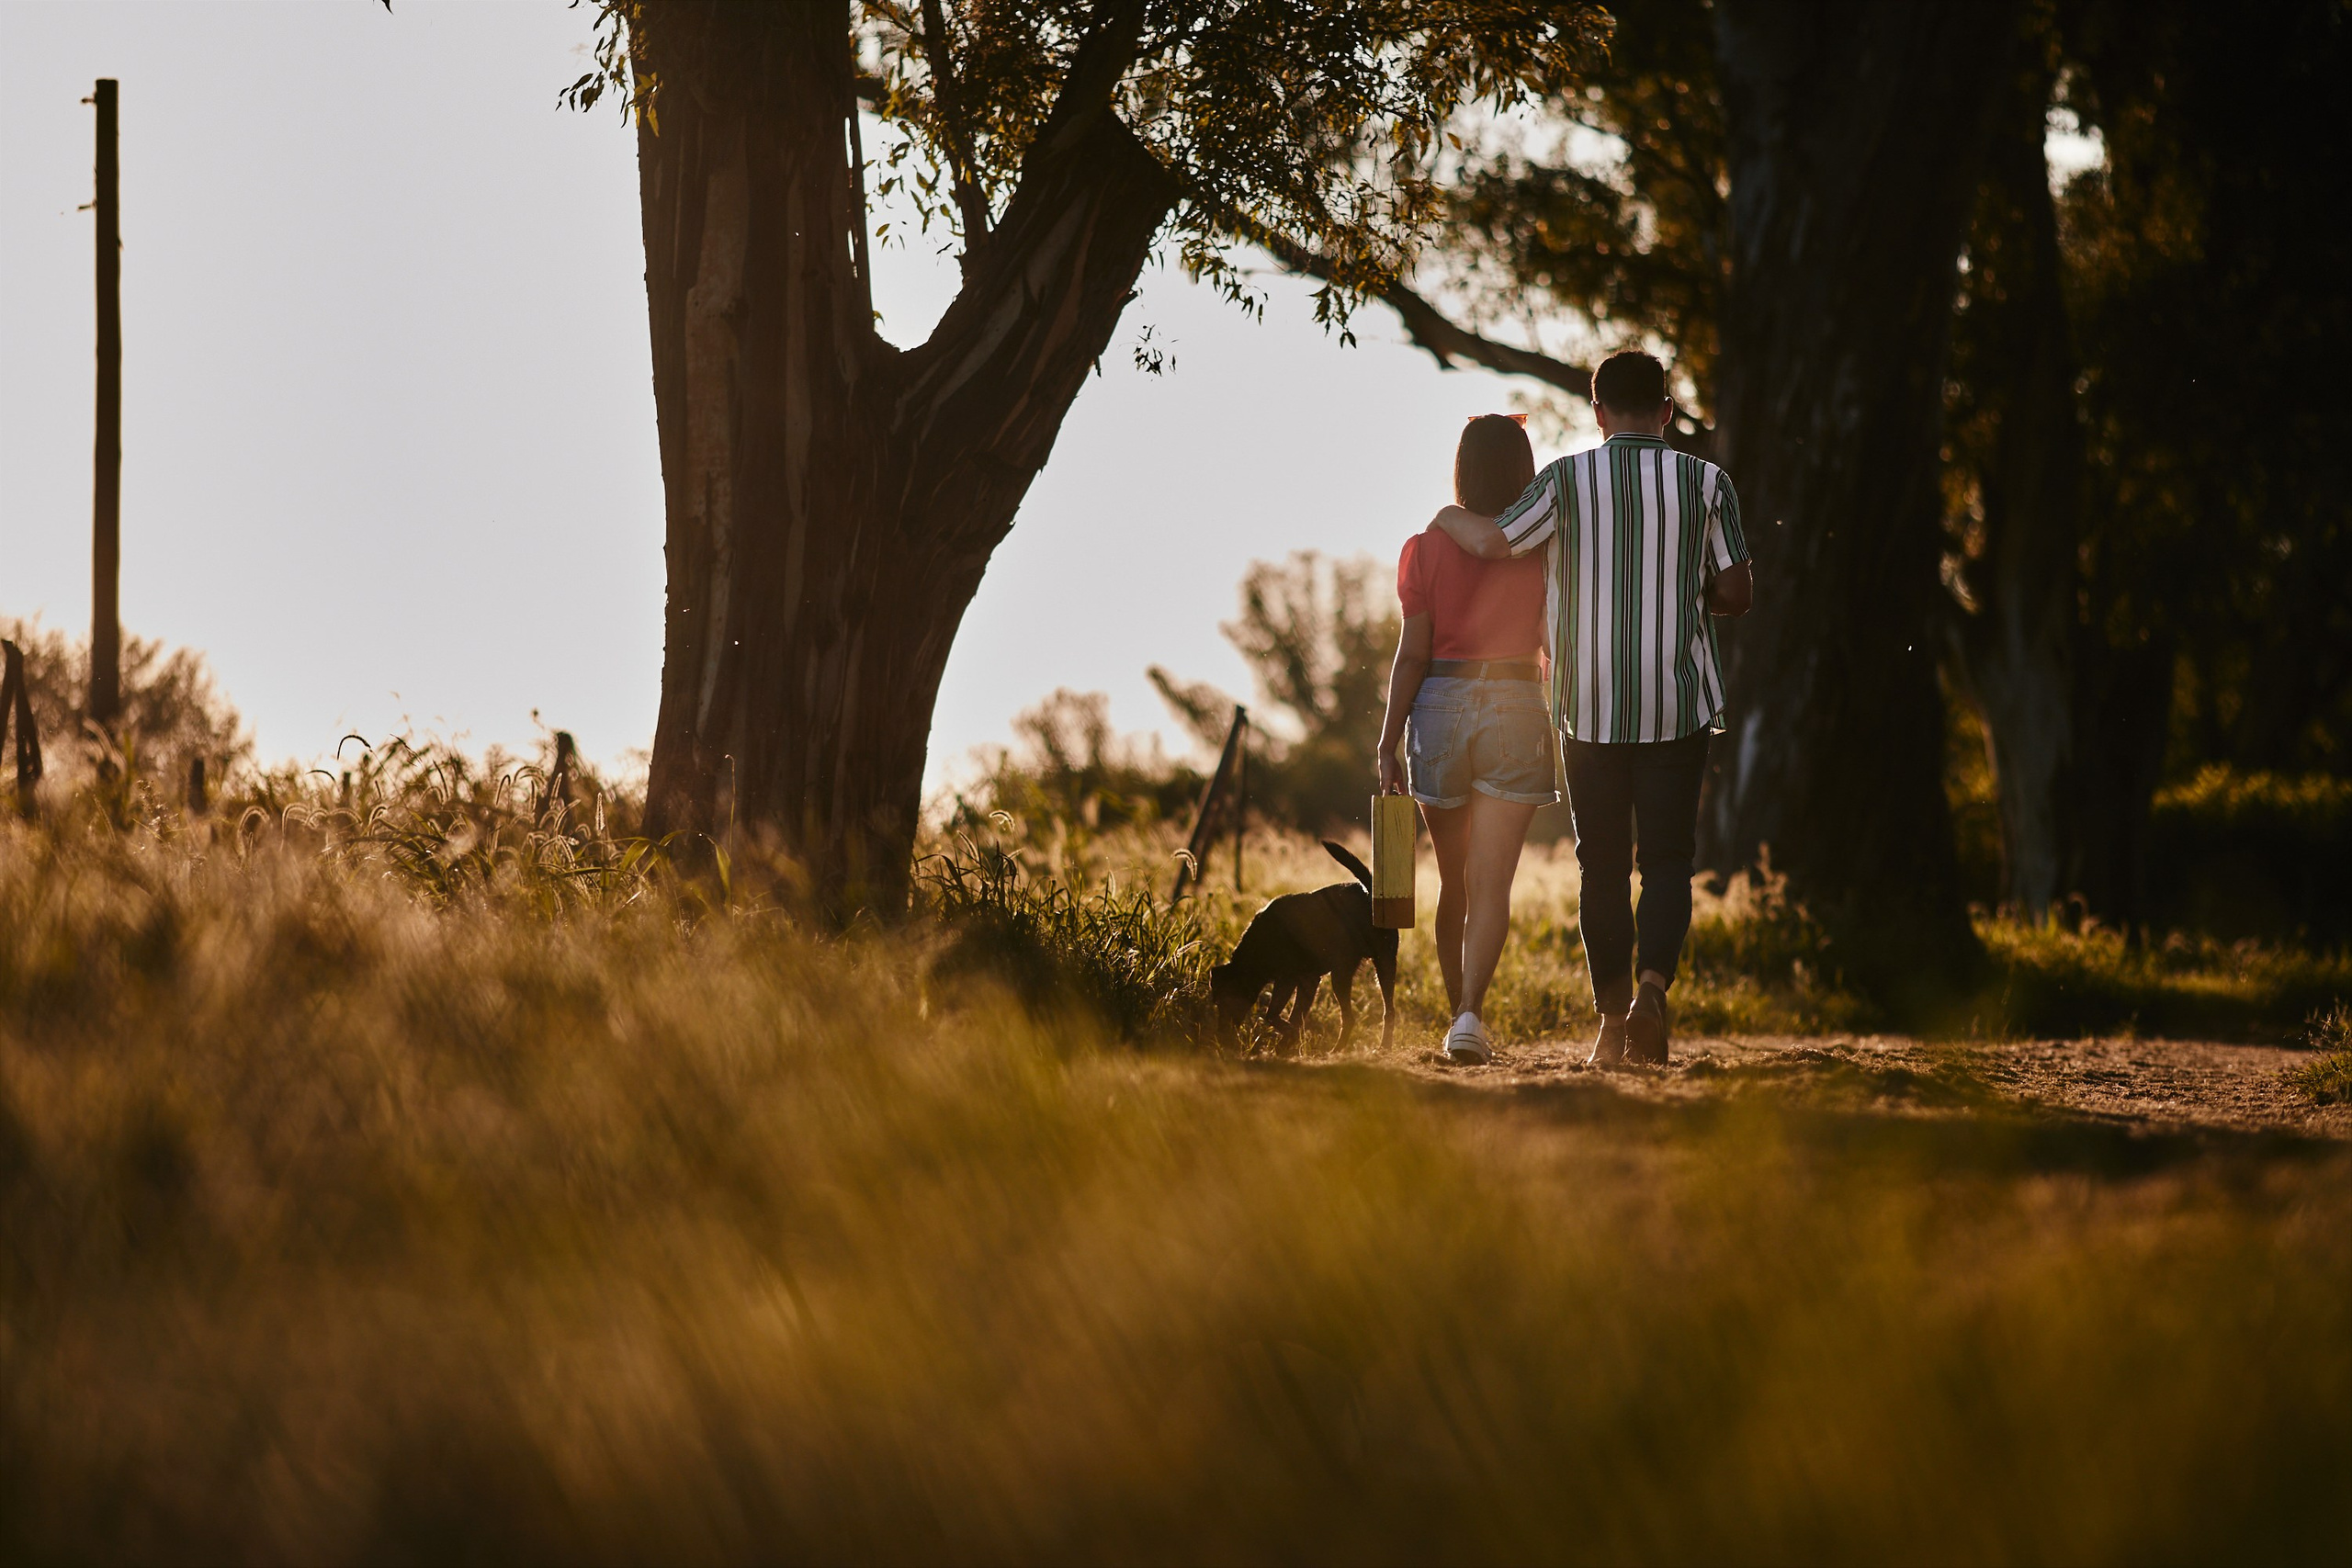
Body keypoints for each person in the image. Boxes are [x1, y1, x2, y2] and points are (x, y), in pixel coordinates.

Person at [1430, 351, 1753, 1066]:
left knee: (1600, 867)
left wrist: (1445, 514)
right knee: (1667, 861)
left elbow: (1491, 540)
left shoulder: (1566, 479)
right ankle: (1651, 991)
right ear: (1667, 412)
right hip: (1678, 703)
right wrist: (1686, 594)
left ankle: (1610, 1030)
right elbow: (1737, 593)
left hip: (1590, 705)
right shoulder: (1708, 482)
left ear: (1597, 412)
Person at [1375, 413, 1556, 1065]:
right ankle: (1471, 1016)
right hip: (1513, 700)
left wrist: (1387, 739)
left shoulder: (1424, 548)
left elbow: (1411, 654)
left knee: (1453, 883)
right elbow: (1551, 642)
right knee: (1491, 885)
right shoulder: (1541, 547)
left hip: (1439, 707)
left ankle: (1459, 1018)